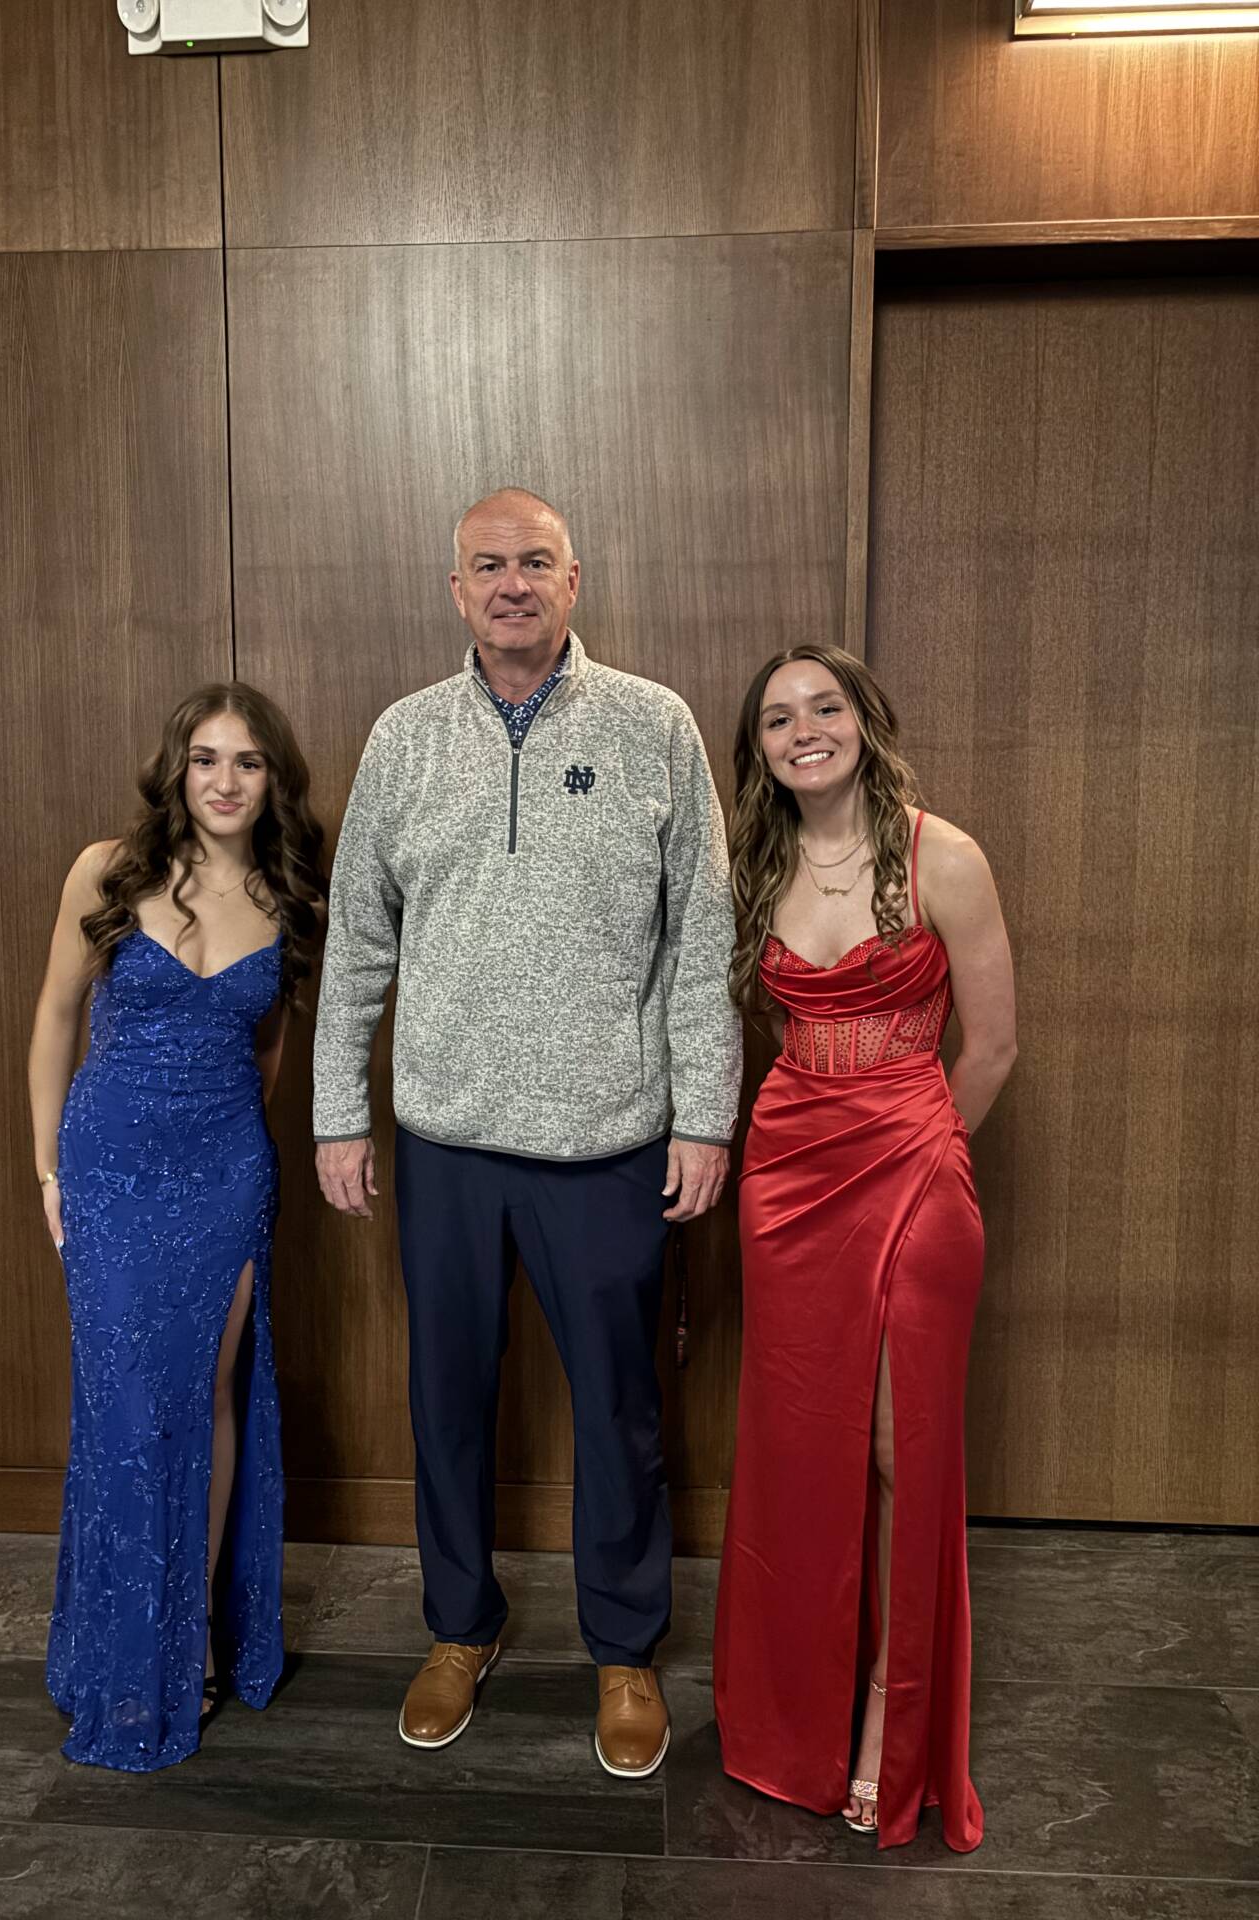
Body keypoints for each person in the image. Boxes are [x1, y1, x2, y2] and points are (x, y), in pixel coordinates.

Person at [312, 488, 742, 1778]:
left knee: (618, 1410)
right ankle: (459, 1628)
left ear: (575, 581)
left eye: (536, 563)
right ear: (456, 590)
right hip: (445, 1137)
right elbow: (357, 947)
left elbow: (703, 933)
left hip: (610, 1138)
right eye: (488, 565)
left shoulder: (655, 726)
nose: (512, 583)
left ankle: (622, 1650)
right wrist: (341, 1112)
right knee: (447, 1401)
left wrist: (705, 1114)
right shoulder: (403, 739)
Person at [713, 645, 1016, 1851]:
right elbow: (760, 1023)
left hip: (914, 1174)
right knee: (798, 1446)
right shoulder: (758, 863)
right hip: (786, 1178)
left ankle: (894, 1713)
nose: (804, 731)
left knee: (897, 1448)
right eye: (779, 719)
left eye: (823, 707)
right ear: (763, 749)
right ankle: (796, 1715)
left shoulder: (944, 855)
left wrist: (924, 1143)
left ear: (864, 719)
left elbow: (989, 1048)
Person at [28, 683, 326, 1770]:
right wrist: (49, 1166)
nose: (226, 781)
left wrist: (242, 1163)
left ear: (271, 779)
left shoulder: (291, 897)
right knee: (122, 1404)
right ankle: (119, 1645)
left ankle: (191, 1636)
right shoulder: (106, 871)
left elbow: (267, 1061)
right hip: (107, 1166)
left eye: (247, 762)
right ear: (177, 770)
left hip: (225, 1175)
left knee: (207, 1395)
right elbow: (55, 1018)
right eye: (206, 759)